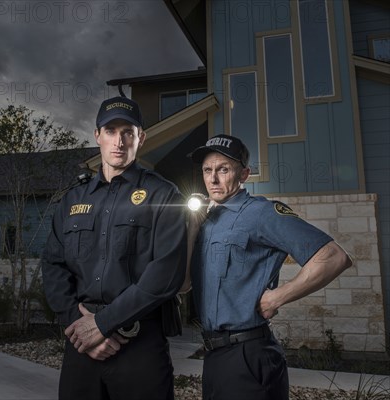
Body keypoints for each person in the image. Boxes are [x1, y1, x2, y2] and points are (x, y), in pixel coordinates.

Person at [41, 96, 188, 400]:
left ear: (140, 138)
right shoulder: (72, 200)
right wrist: (76, 322)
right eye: (110, 131)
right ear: (97, 135)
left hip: (139, 344)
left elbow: (165, 274)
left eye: (128, 132)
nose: (119, 141)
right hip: (81, 340)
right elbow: (53, 265)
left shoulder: (163, 194)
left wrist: (104, 325)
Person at [187, 134, 353, 400]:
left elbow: (333, 257)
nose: (213, 179)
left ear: (244, 174)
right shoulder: (207, 222)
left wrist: (277, 297)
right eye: (208, 170)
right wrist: (193, 226)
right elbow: (185, 285)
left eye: (224, 169)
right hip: (215, 356)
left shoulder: (262, 213)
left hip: (249, 355)